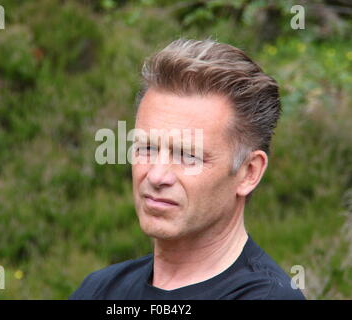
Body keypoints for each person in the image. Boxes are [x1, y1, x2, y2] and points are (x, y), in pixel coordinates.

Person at [69, 38, 306, 300]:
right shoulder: (99, 289)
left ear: (249, 172)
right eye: (146, 148)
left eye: (188, 155)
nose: (157, 176)